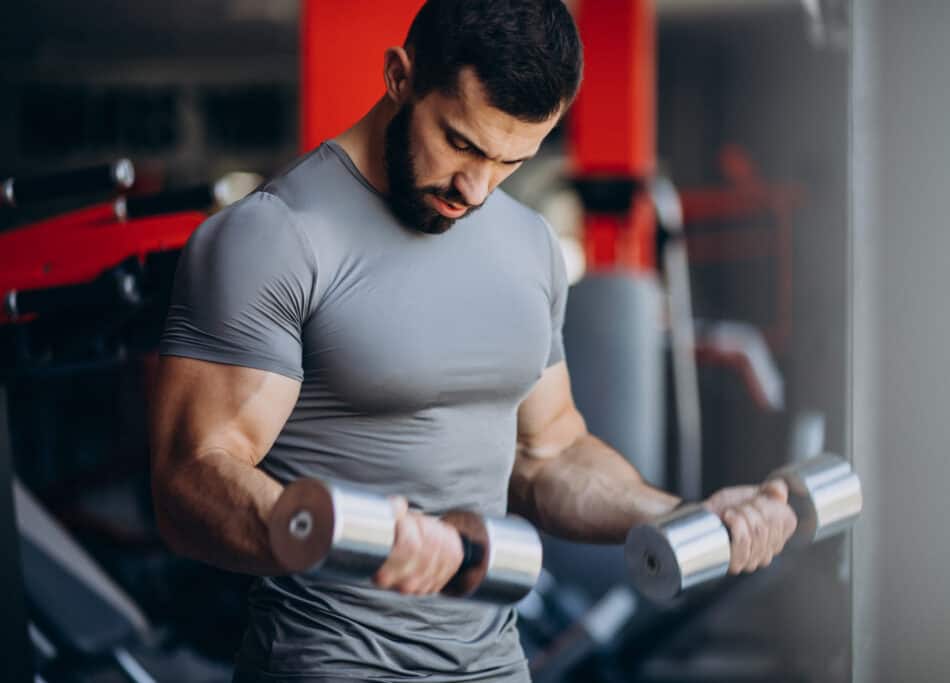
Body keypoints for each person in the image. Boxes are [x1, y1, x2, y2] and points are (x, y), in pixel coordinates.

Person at [149, 1, 797, 681]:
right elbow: (189, 479)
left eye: (510, 160)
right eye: (460, 142)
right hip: (333, 664)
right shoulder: (275, 238)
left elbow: (549, 457)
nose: (475, 188)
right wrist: (352, 533)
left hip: (496, 665)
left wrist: (684, 514)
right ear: (400, 76)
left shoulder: (529, 245)